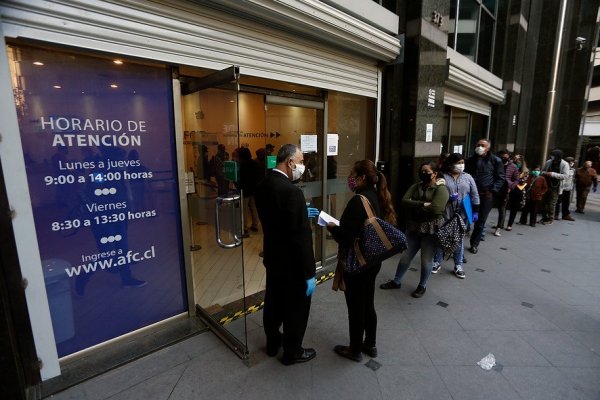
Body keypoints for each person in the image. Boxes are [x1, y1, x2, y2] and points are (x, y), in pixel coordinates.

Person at [326, 160, 397, 362]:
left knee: (356, 307)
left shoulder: (358, 201)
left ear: (362, 178)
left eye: (352, 173)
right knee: (368, 303)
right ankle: (370, 344)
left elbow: (345, 237)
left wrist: (332, 227)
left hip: (357, 263)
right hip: (373, 260)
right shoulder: (377, 195)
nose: (349, 177)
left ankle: (355, 349)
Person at [254, 144, 317, 365]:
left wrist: (300, 212)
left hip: (273, 258)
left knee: (273, 301)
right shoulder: (292, 192)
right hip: (293, 264)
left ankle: (273, 343)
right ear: (290, 162)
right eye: (300, 162)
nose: (301, 166)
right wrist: (309, 272)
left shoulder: (263, 185)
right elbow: (300, 238)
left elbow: (276, 220)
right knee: (296, 309)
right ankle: (292, 352)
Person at [380, 161, 449, 298]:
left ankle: (422, 285)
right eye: (421, 171)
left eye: (427, 172)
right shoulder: (416, 186)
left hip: (431, 229)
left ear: (435, 174)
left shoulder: (440, 189)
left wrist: (416, 207)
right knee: (405, 256)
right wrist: (423, 204)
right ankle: (396, 281)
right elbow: (405, 201)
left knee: (426, 260)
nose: (423, 174)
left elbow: (436, 209)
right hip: (414, 227)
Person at [432, 153, 479, 279]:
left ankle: (458, 265)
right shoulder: (443, 176)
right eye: (458, 162)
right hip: (445, 213)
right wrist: (448, 198)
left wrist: (475, 211)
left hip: (462, 215)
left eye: (462, 162)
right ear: (450, 163)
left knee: (458, 240)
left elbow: (475, 195)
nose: (461, 165)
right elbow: (435, 192)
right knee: (441, 237)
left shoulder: (468, 177)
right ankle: (437, 262)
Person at [465, 139, 505, 254]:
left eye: (482, 145)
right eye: (478, 145)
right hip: (470, 194)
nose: (479, 147)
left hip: (485, 195)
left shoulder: (495, 161)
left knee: (480, 221)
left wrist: (492, 190)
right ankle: (457, 244)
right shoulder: (470, 160)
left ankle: (474, 244)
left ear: (488, 148)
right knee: (464, 218)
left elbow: (500, 178)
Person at [492, 150, 519, 236]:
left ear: (509, 156)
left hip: (505, 189)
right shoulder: (495, 164)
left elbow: (517, 179)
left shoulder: (513, 166)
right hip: (495, 188)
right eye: (502, 156)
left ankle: (499, 227)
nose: (504, 158)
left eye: (505, 156)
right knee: (487, 207)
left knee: (502, 209)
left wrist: (511, 187)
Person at [540, 149, 569, 225]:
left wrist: (552, 174)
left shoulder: (564, 164)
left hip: (556, 186)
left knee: (552, 203)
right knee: (543, 202)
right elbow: (542, 171)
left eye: (553, 155)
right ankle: (544, 217)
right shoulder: (549, 162)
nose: (551, 157)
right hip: (546, 185)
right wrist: (545, 173)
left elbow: (565, 176)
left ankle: (550, 218)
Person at [237, 147, 262, 234]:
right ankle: (255, 225)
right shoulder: (255, 163)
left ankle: (244, 228)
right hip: (254, 190)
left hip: (245, 190)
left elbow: (240, 179)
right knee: (254, 208)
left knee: (244, 210)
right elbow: (259, 177)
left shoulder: (242, 165)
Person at [554, 156, 576, 221]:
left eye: (573, 162)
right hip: (561, 188)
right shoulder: (562, 167)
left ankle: (565, 214)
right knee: (558, 202)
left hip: (568, 188)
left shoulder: (573, 169)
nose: (572, 163)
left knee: (566, 202)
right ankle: (556, 214)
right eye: (571, 162)